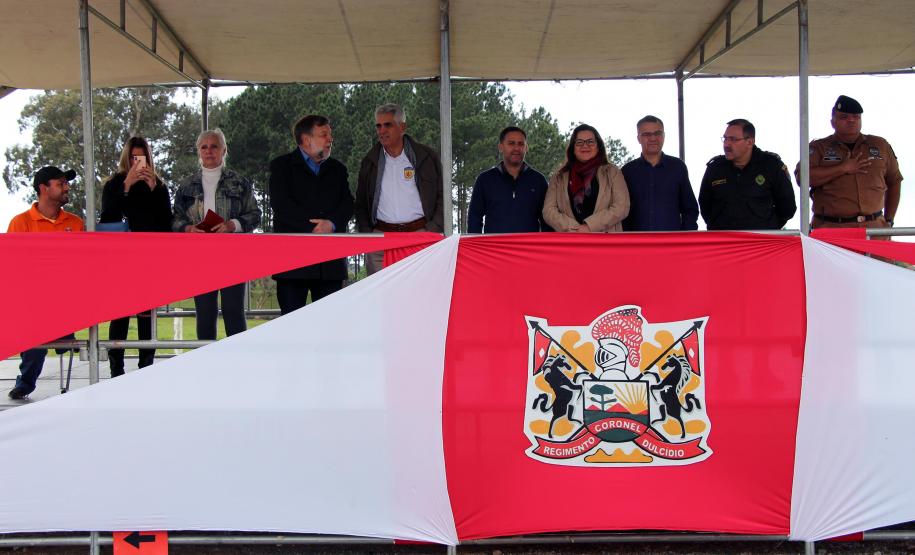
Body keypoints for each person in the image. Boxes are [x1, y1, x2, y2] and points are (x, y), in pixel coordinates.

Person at [173, 129, 261, 338]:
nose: (209, 151)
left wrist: (234, 224)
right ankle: (205, 367)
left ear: (224, 150)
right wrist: (187, 228)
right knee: (204, 314)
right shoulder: (186, 186)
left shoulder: (240, 183)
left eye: (214, 146)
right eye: (204, 147)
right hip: (199, 258)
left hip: (233, 257)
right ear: (198, 151)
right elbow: (174, 218)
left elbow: (255, 214)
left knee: (234, 313)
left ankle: (237, 366)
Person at [7, 166, 85, 399]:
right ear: (43, 188)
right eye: (60, 183)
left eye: (66, 183)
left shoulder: (75, 222)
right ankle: (26, 381)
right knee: (35, 332)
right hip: (33, 299)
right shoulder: (20, 223)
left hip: (64, 298)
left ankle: (30, 377)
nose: (66, 187)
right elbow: (14, 266)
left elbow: (81, 264)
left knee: (59, 335)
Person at [99, 136, 172, 377]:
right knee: (119, 315)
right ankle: (116, 369)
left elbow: (165, 226)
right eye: (132, 157)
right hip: (120, 260)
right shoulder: (114, 184)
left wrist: (153, 190)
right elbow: (108, 219)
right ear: (126, 158)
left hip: (148, 260)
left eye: (140, 157)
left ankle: (146, 368)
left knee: (146, 316)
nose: (136, 163)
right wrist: (126, 187)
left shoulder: (158, 186)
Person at [269, 115, 353, 314]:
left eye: (330, 135)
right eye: (324, 135)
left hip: (330, 265)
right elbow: (281, 206)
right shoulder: (281, 167)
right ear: (306, 140)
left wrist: (331, 224)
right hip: (292, 263)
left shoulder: (338, 170)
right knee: (291, 329)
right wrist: (313, 228)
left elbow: (348, 204)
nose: (330, 139)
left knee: (329, 328)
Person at [355, 103, 444, 274]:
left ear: (402, 126)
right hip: (380, 239)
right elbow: (361, 203)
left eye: (388, 124)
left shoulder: (426, 157)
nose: (382, 130)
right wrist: (368, 233)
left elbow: (442, 195)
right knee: (381, 297)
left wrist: (431, 229)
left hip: (419, 236)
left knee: (420, 295)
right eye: (378, 125)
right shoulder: (369, 161)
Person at [801, 95, 903, 230]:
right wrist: (843, 168)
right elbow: (803, 179)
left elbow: (894, 181)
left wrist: (889, 219)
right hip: (831, 229)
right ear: (833, 122)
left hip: (874, 230)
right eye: (844, 117)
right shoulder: (818, 148)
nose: (851, 121)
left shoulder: (880, 145)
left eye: (856, 117)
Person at [698, 119, 796, 230]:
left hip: (760, 241)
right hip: (724, 241)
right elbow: (704, 205)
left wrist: (769, 226)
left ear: (750, 142)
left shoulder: (771, 166)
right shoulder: (715, 168)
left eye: (733, 139)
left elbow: (788, 208)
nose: (727, 144)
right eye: (725, 138)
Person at [542, 124, 630, 233]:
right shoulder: (559, 177)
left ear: (598, 146)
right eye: (579, 142)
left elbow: (622, 207)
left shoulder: (612, 173)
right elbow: (548, 211)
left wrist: (590, 226)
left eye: (590, 142)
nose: (585, 146)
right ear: (573, 148)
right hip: (570, 241)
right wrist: (575, 229)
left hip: (605, 242)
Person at [621, 116, 699, 231]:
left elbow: (690, 209)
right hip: (636, 243)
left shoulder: (678, 167)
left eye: (657, 133)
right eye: (646, 134)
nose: (653, 138)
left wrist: (686, 237)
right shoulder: (627, 171)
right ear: (638, 138)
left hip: (672, 244)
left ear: (664, 136)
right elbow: (621, 211)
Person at [467, 126, 550, 233]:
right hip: (494, 248)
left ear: (526, 148)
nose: (516, 148)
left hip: (529, 248)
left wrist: (546, 247)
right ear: (501, 147)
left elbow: (547, 220)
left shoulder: (538, 181)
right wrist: (475, 246)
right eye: (511, 143)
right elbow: (474, 217)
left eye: (521, 144)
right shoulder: (485, 180)